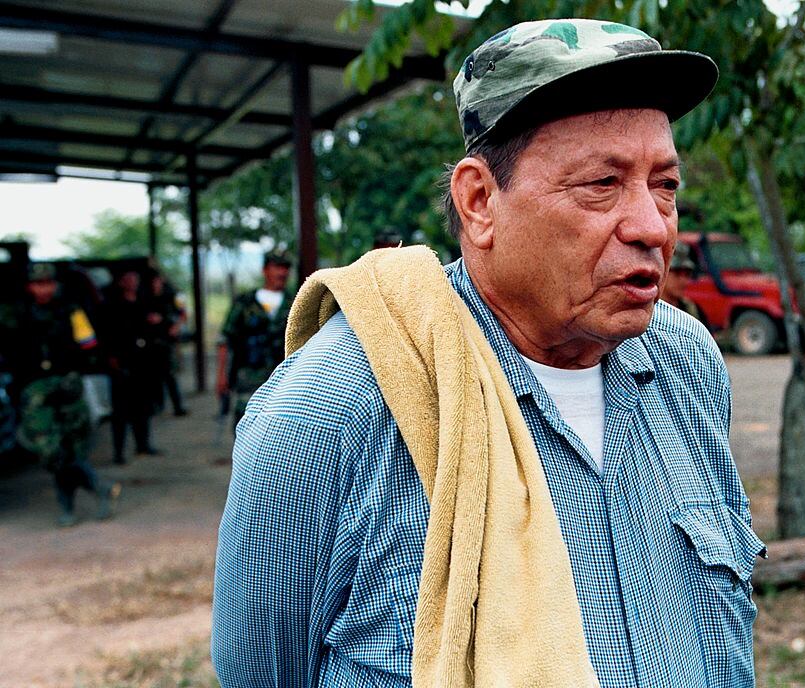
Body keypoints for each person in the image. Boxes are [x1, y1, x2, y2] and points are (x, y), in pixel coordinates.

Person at [213, 19, 764, 688]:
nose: (652, 225)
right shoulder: (333, 410)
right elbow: (261, 672)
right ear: (479, 202)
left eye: (665, 185)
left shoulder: (686, 363)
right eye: (601, 184)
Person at [0, 263, 120, 527]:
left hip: (67, 385)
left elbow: (89, 343)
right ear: (29, 287)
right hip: (35, 388)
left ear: (55, 285)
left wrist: (73, 361)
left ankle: (68, 506)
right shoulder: (16, 313)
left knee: (71, 446)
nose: (43, 288)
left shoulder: (70, 310)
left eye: (47, 283)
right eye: (37, 283)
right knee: (48, 448)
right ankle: (98, 486)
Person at [215, 248, 293, 427]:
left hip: (285, 380)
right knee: (244, 424)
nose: (282, 272)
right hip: (249, 377)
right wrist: (221, 376)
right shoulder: (245, 302)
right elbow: (225, 340)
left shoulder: (296, 302)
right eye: (277, 267)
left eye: (285, 267)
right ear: (265, 270)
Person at [100, 268, 162, 463]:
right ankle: (118, 452)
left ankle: (142, 444)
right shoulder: (112, 305)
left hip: (142, 362)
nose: (132, 282)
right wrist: (111, 358)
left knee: (142, 407)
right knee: (120, 411)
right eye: (128, 279)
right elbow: (106, 334)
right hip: (122, 363)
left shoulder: (144, 301)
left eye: (134, 278)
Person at [145, 268, 188, 417]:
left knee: (170, 375)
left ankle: (177, 406)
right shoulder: (145, 297)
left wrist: (175, 327)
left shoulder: (170, 296)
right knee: (153, 375)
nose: (155, 284)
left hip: (167, 340)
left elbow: (183, 314)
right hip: (150, 341)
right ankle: (157, 405)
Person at [662, 240, 702, 321]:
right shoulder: (649, 311)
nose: (683, 281)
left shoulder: (690, 309)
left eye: (687, 274)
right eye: (677, 273)